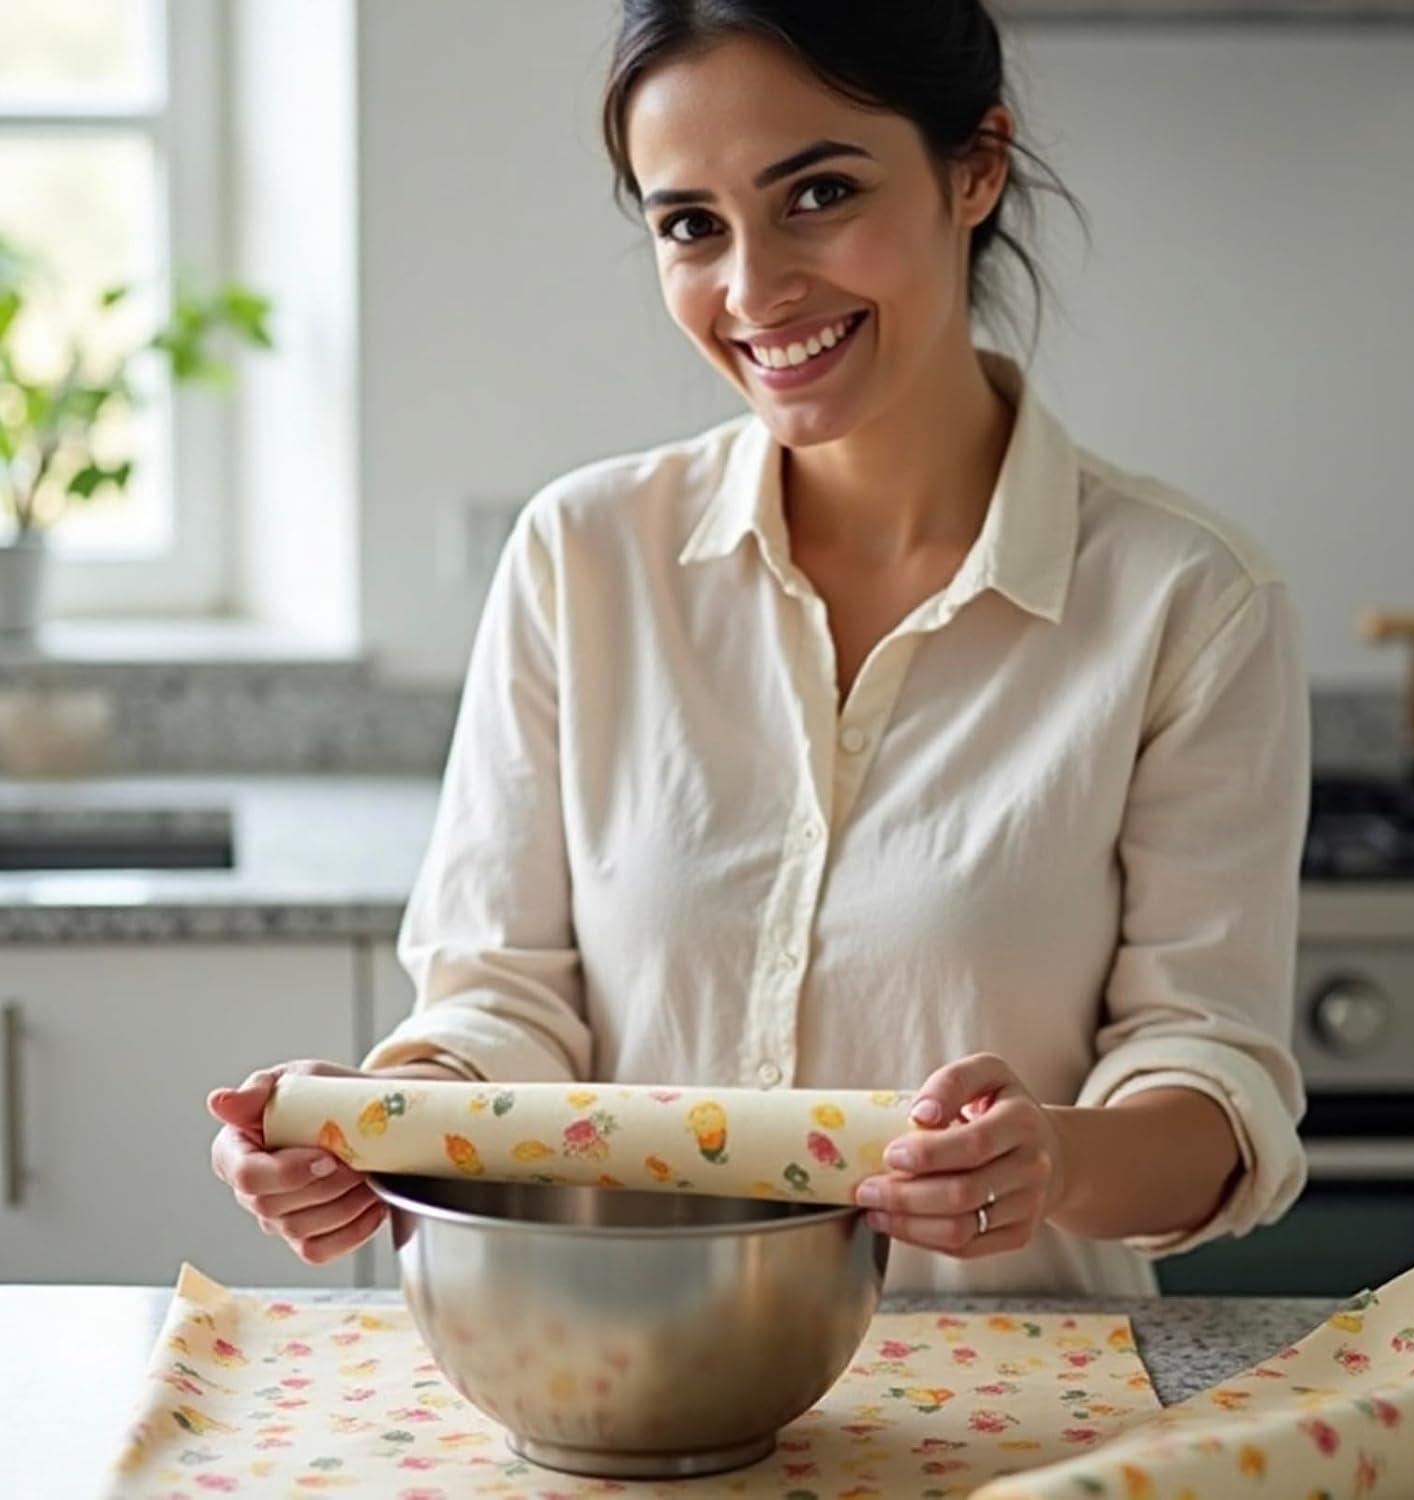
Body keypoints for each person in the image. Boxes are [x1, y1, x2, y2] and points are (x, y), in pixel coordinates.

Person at [208, 0, 1310, 1296]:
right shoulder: (583, 556)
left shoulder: (1190, 601)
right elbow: (500, 1001)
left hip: (1012, 1397)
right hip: (619, 1369)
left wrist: (1052, 1161)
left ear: (976, 167)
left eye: (820, 194)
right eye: (691, 225)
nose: (752, 290)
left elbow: (1209, 1085)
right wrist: (371, 1127)